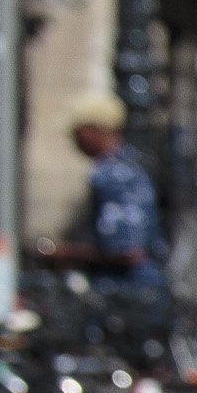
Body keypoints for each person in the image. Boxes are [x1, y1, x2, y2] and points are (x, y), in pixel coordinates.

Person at [40, 94, 166, 290]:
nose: (74, 139)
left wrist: (64, 253)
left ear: (93, 131)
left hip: (127, 294)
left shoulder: (114, 174)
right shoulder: (131, 164)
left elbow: (127, 250)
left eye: (77, 131)